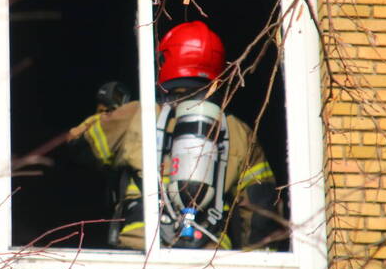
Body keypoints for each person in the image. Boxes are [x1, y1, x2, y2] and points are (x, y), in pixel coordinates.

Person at [68, 21, 287, 251]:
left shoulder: (137, 115)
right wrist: (260, 268)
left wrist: (107, 114)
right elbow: (262, 211)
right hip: (210, 263)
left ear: (165, 61)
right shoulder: (239, 132)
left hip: (141, 252)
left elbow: (78, 145)